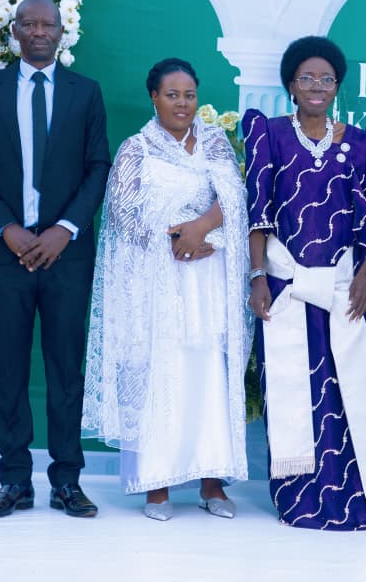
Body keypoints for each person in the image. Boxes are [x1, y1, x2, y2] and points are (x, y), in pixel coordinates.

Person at [0, 0, 110, 518]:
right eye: (31, 23)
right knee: (9, 369)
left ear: (61, 31)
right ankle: (15, 480)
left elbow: (97, 168)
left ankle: (67, 480)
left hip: (66, 256)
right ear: (16, 31)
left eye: (49, 23)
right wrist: (8, 229)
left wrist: (65, 230)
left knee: (66, 368)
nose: (40, 31)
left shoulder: (84, 93)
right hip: (6, 256)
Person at [244, 35, 366, 530]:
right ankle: (301, 499)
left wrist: (364, 274)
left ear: (337, 86)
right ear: (291, 84)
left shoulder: (360, 140)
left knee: (349, 393)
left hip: (343, 289)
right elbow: (258, 214)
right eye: (306, 77)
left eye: (326, 78)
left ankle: (365, 500)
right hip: (287, 290)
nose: (317, 86)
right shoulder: (267, 134)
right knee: (297, 393)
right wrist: (256, 277)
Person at [81, 58, 252, 521]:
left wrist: (203, 232)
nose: (183, 103)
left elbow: (236, 199)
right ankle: (156, 486)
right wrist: (178, 238)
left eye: (190, 94)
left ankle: (211, 482)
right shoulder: (137, 149)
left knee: (207, 373)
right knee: (161, 371)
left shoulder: (215, 143)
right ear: (153, 97)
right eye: (172, 94)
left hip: (209, 276)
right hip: (156, 281)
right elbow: (123, 217)